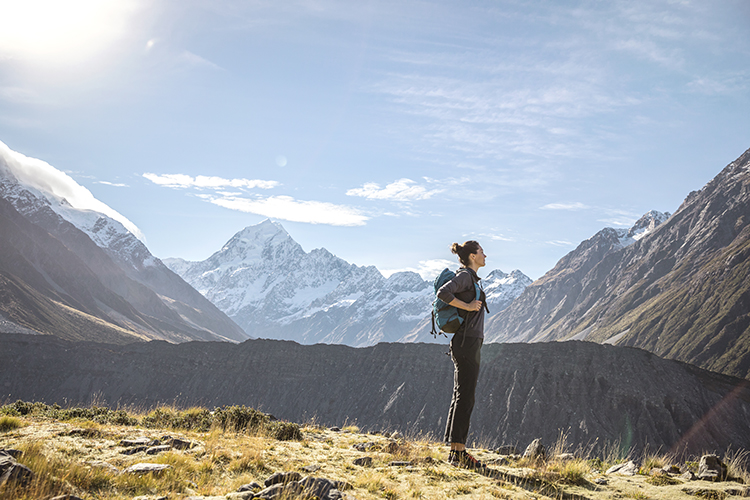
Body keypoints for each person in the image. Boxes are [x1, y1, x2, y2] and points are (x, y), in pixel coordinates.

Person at [437, 240, 488, 469]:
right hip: (466, 344)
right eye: (482, 252)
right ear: (472, 256)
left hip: (467, 343)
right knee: (465, 397)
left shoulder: (471, 278)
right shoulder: (466, 276)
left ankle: (455, 451)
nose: (485, 255)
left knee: (462, 395)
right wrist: (467, 307)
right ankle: (459, 452)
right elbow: (443, 292)